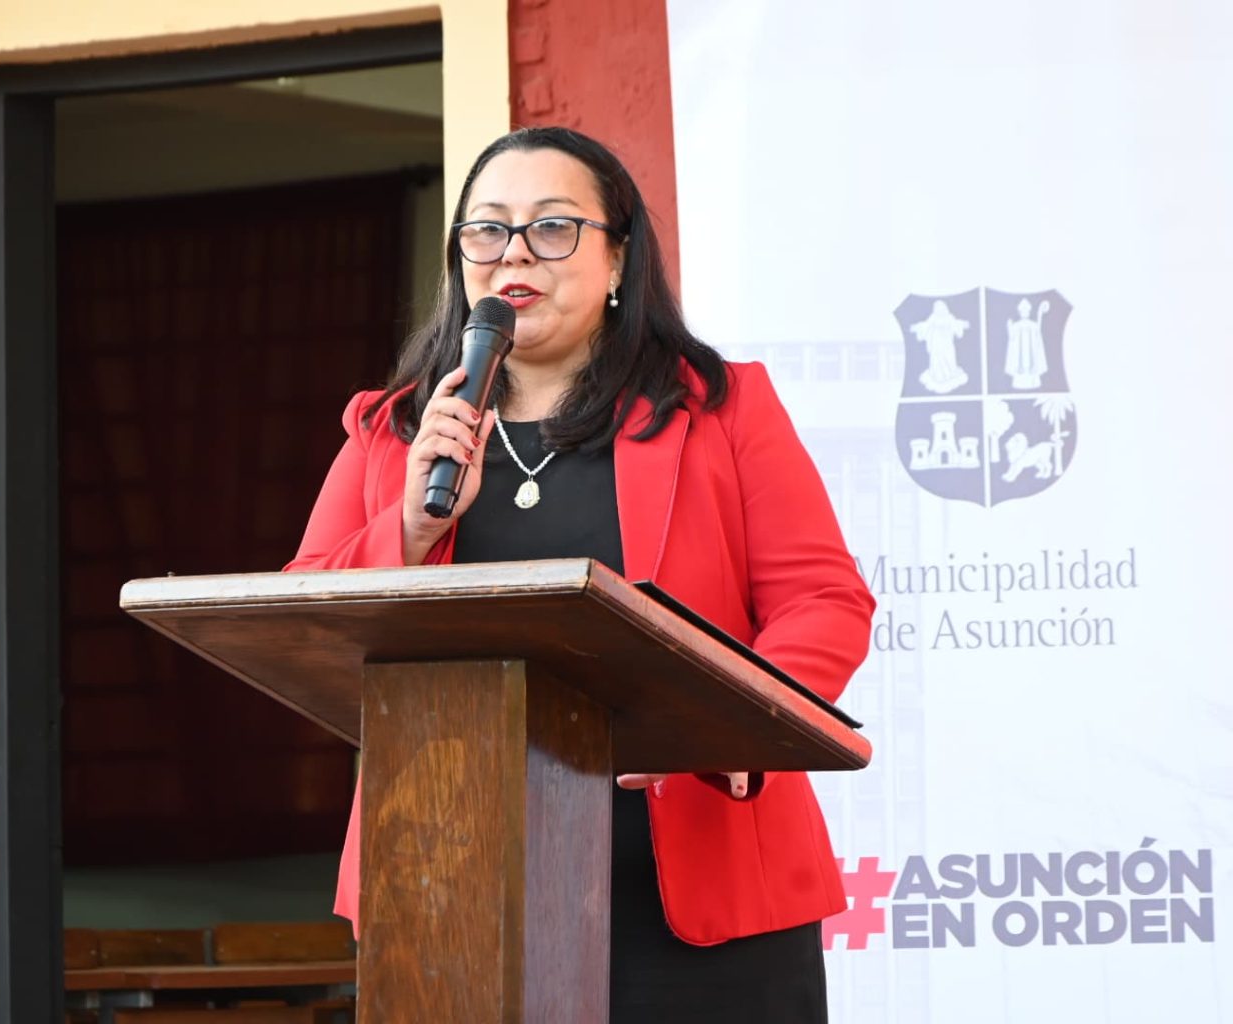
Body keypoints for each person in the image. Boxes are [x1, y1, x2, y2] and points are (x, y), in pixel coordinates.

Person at [286, 126, 874, 1021]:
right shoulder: (393, 431)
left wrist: (730, 728)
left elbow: (823, 600)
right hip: (449, 887)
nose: (514, 253)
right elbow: (303, 618)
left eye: (553, 227)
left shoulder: (720, 408)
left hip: (696, 889)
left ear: (618, 259)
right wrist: (410, 526)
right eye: (488, 229)